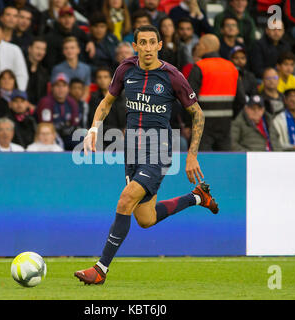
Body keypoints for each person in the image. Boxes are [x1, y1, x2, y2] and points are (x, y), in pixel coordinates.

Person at [74, 25, 218, 285]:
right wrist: (93, 129)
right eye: (143, 42)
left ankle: (100, 269)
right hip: (132, 152)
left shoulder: (172, 76)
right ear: (136, 46)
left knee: (125, 199)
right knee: (145, 219)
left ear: (160, 45)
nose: (148, 47)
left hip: (159, 149)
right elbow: (106, 102)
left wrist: (192, 155)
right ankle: (197, 197)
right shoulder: (125, 70)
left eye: (153, 42)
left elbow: (197, 113)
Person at [188, 34, 244, 151]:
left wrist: (189, 122)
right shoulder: (231, 67)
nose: (197, 47)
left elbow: (189, 99)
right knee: (224, 162)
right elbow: (241, 100)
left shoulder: (199, 67)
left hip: (202, 125)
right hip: (225, 124)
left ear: (204, 47)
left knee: (202, 163)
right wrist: (230, 116)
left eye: (198, 44)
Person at [42, 6, 95, 71]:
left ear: (74, 19)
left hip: (77, 69)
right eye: (63, 17)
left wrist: (90, 41)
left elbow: (85, 36)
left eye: (70, 17)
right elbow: (50, 64)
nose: (67, 20)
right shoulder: (51, 37)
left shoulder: (76, 30)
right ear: (59, 19)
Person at [37, 72, 80, 150]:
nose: (61, 89)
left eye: (64, 85)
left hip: (67, 135)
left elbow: (75, 124)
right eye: (57, 85)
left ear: (68, 88)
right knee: (57, 142)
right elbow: (46, 126)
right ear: (52, 88)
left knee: (81, 139)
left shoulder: (72, 102)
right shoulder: (46, 102)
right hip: (50, 136)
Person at [51, 36, 92, 101]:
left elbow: (86, 90)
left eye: (72, 48)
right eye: (66, 48)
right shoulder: (57, 69)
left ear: (78, 50)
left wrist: (80, 104)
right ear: (63, 51)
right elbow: (54, 90)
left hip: (80, 104)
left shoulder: (86, 68)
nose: (69, 51)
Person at [26, 37, 49, 106]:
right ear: (29, 49)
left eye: (43, 49)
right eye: (38, 48)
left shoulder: (44, 72)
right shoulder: (21, 67)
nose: (40, 52)